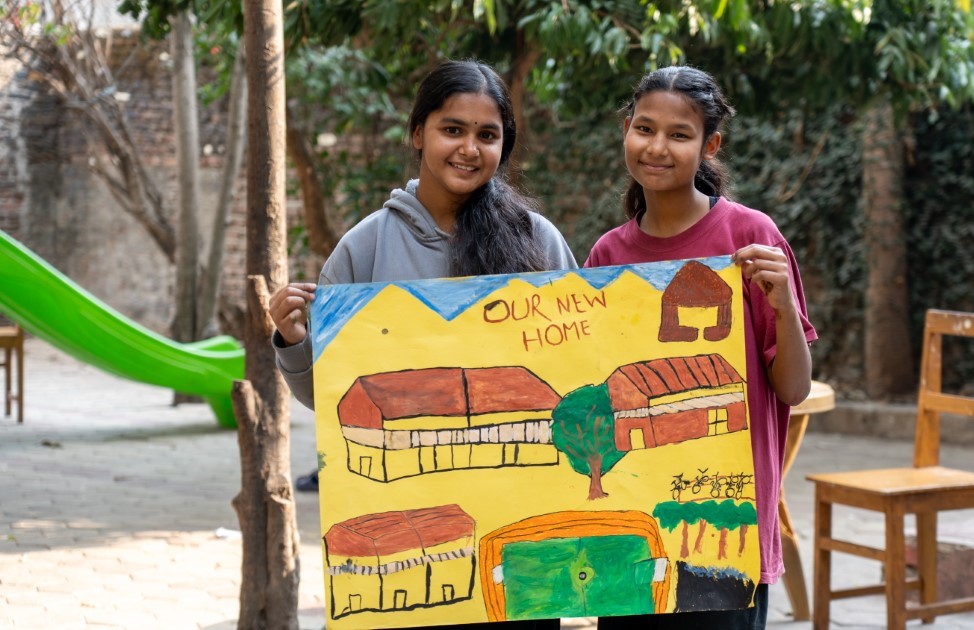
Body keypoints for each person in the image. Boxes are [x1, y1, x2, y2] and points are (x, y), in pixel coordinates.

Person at [269, 60, 576, 630]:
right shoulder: (364, 248)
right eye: (452, 129)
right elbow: (335, 401)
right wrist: (292, 340)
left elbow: (576, 366)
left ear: (504, 146)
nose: (469, 148)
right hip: (406, 525)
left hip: (520, 523)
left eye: (487, 135)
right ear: (417, 133)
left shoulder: (539, 242)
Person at [585, 66, 817, 630]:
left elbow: (793, 388)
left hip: (725, 530)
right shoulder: (607, 256)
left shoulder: (751, 239)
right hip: (634, 531)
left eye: (679, 134)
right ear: (625, 129)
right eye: (644, 128)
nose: (656, 147)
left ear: (710, 145)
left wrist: (784, 306)